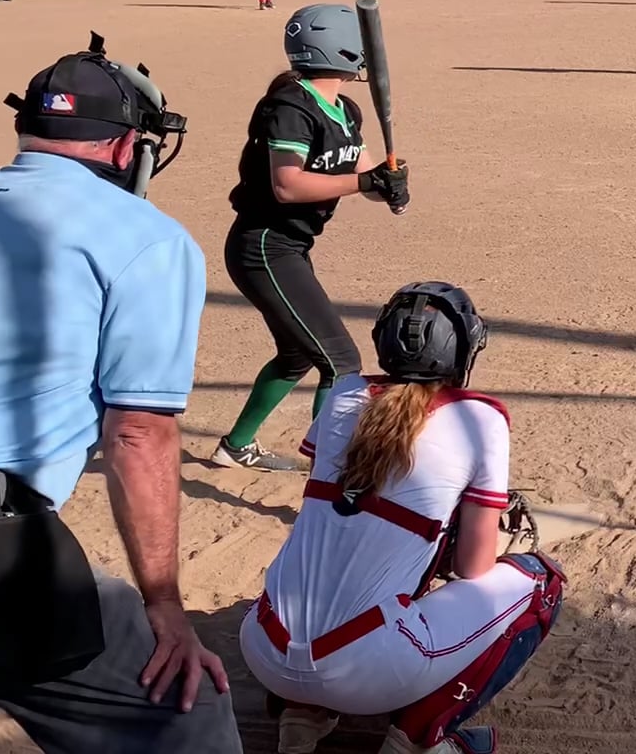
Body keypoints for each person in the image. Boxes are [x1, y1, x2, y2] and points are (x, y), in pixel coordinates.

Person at [0, 35, 239, 753]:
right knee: (182, 713)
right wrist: (164, 605)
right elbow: (138, 432)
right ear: (126, 147)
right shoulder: (147, 238)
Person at [241, 283, 565, 754]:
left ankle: (301, 715)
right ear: (462, 350)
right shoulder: (480, 418)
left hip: (264, 646)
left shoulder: (345, 392)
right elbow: (472, 568)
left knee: (345, 546)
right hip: (366, 669)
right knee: (541, 582)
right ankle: (418, 739)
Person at [214, 4, 411, 472]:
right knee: (340, 362)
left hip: (290, 247)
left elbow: (362, 173)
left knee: (296, 354)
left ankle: (234, 447)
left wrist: (387, 183)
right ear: (343, 50)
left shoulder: (344, 110)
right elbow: (287, 186)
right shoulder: (290, 109)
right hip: (264, 246)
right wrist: (366, 183)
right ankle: (328, 474)